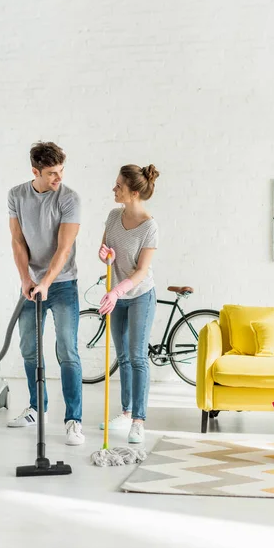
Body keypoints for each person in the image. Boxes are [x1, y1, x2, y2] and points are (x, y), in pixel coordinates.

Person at [6, 141, 84, 445]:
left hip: (63, 284)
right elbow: (17, 241)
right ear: (35, 171)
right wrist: (26, 279)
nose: (58, 178)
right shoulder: (17, 195)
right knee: (29, 349)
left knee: (67, 352)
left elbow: (64, 248)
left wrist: (46, 282)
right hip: (31, 284)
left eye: (61, 171)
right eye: (52, 173)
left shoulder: (70, 199)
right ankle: (38, 409)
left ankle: (73, 420)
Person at [98, 164, 160, 444]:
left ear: (133, 193)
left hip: (138, 296)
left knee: (136, 357)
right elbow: (108, 252)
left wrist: (117, 291)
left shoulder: (149, 226)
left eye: (119, 186)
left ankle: (138, 420)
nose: (114, 189)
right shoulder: (113, 216)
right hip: (117, 296)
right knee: (122, 356)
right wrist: (105, 257)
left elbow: (141, 272)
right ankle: (125, 412)